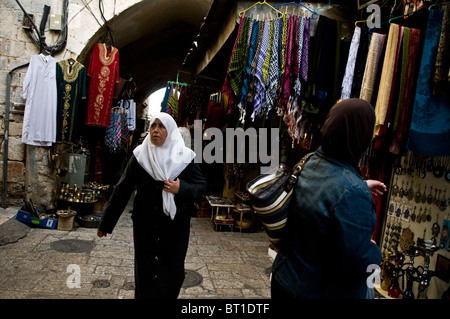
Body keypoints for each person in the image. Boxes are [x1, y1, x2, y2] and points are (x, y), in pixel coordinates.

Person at [271, 98, 385, 299]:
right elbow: (357, 262)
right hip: (318, 291)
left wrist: (359, 187)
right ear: (360, 136)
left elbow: (321, 195)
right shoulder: (351, 190)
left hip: (285, 279)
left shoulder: (310, 160)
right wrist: (375, 252)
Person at [97, 112, 206, 299]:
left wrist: (181, 188)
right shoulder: (140, 156)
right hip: (145, 226)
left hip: (175, 227)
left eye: (161, 126)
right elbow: (122, 190)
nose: (156, 130)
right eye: (153, 126)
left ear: (170, 131)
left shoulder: (184, 158)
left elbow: (201, 187)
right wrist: (106, 223)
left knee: (172, 274)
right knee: (145, 274)